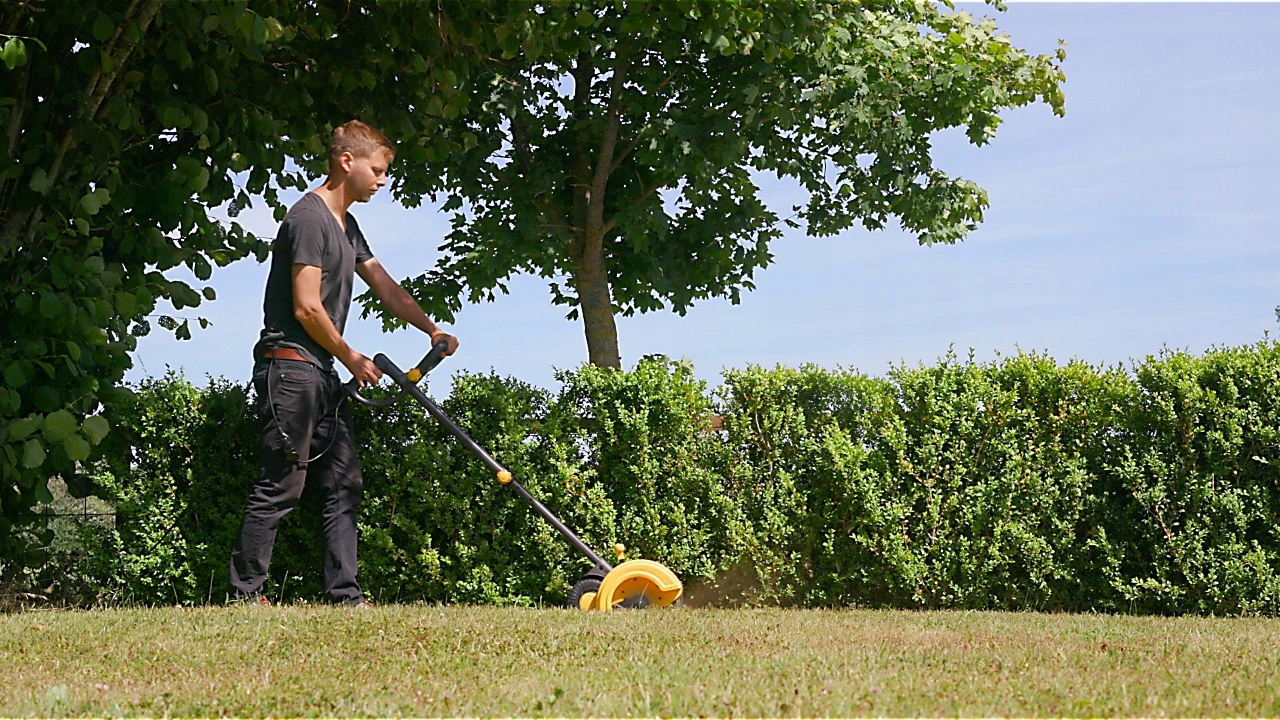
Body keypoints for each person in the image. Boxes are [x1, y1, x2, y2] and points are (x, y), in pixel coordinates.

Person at [229, 120, 458, 607]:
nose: (381, 180)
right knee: (282, 484)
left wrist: (432, 329)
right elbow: (306, 307)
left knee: (342, 482)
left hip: (319, 371)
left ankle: (344, 596)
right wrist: (351, 355)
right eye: (376, 170)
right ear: (346, 161)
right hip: (290, 368)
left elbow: (387, 288)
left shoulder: (347, 227)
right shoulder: (308, 219)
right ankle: (245, 595)